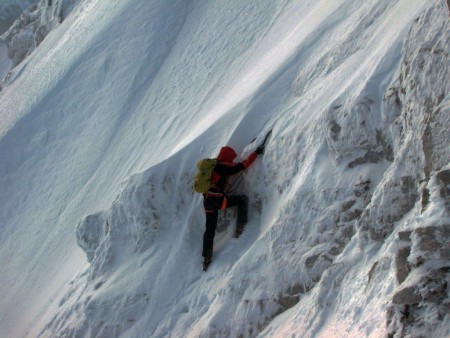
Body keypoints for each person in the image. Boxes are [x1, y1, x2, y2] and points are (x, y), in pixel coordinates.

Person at [202, 144, 264, 269]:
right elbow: (243, 165)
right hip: (218, 201)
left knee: (210, 228)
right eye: (231, 158)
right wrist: (256, 153)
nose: (231, 160)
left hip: (208, 202)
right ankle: (240, 227)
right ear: (227, 156)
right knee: (242, 199)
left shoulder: (212, 166)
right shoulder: (224, 166)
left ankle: (206, 258)